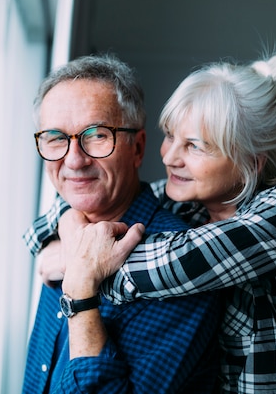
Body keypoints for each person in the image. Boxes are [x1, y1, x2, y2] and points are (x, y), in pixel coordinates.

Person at [25, 51, 276, 393]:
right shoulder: (190, 205)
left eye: (194, 146)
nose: (168, 156)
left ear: (250, 162)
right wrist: (66, 237)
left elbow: (182, 262)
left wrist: (80, 268)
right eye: (170, 135)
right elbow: (61, 213)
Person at [22, 55, 222, 394]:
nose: (73, 160)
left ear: (138, 148)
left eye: (97, 135)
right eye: (55, 138)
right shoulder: (64, 229)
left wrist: (81, 288)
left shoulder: (181, 267)